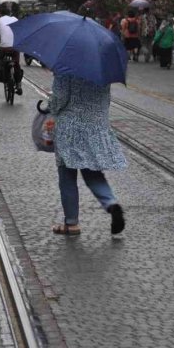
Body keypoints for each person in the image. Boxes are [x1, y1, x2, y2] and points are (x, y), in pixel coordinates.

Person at [48, 73, 126, 236]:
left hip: (70, 128)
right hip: (96, 127)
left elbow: (60, 98)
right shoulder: (101, 67)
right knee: (93, 173)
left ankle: (71, 223)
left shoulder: (66, 67)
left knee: (67, 176)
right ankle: (111, 204)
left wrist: (50, 107)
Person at [0, 2, 23, 95]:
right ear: (10, 13)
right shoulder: (15, 19)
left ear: (0, 13)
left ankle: (1, 77)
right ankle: (19, 85)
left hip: (4, 47)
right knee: (17, 64)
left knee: (1, 60)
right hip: (16, 46)